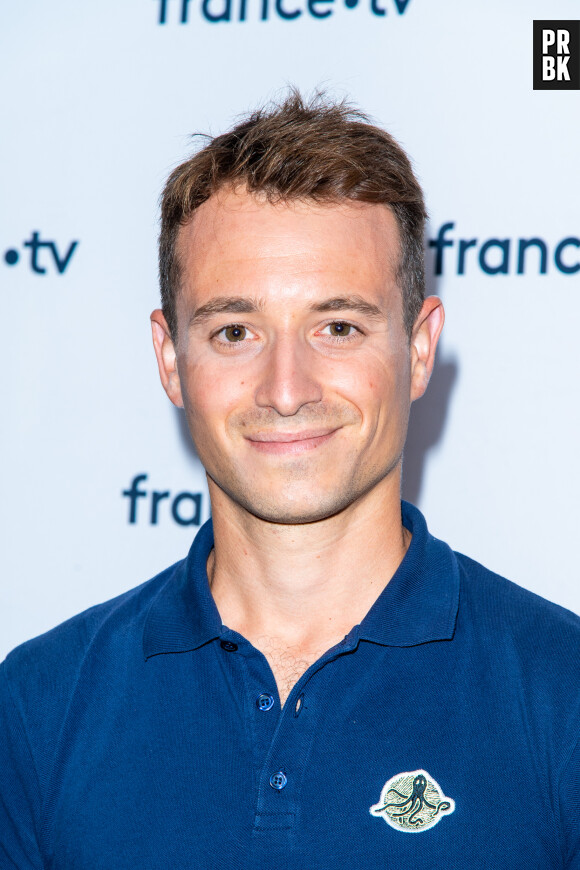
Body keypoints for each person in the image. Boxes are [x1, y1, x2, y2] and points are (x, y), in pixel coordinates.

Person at [1, 92, 579, 869]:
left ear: (417, 348)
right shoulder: (39, 705)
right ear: (171, 360)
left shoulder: (561, 692)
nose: (284, 387)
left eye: (337, 327)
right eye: (235, 332)